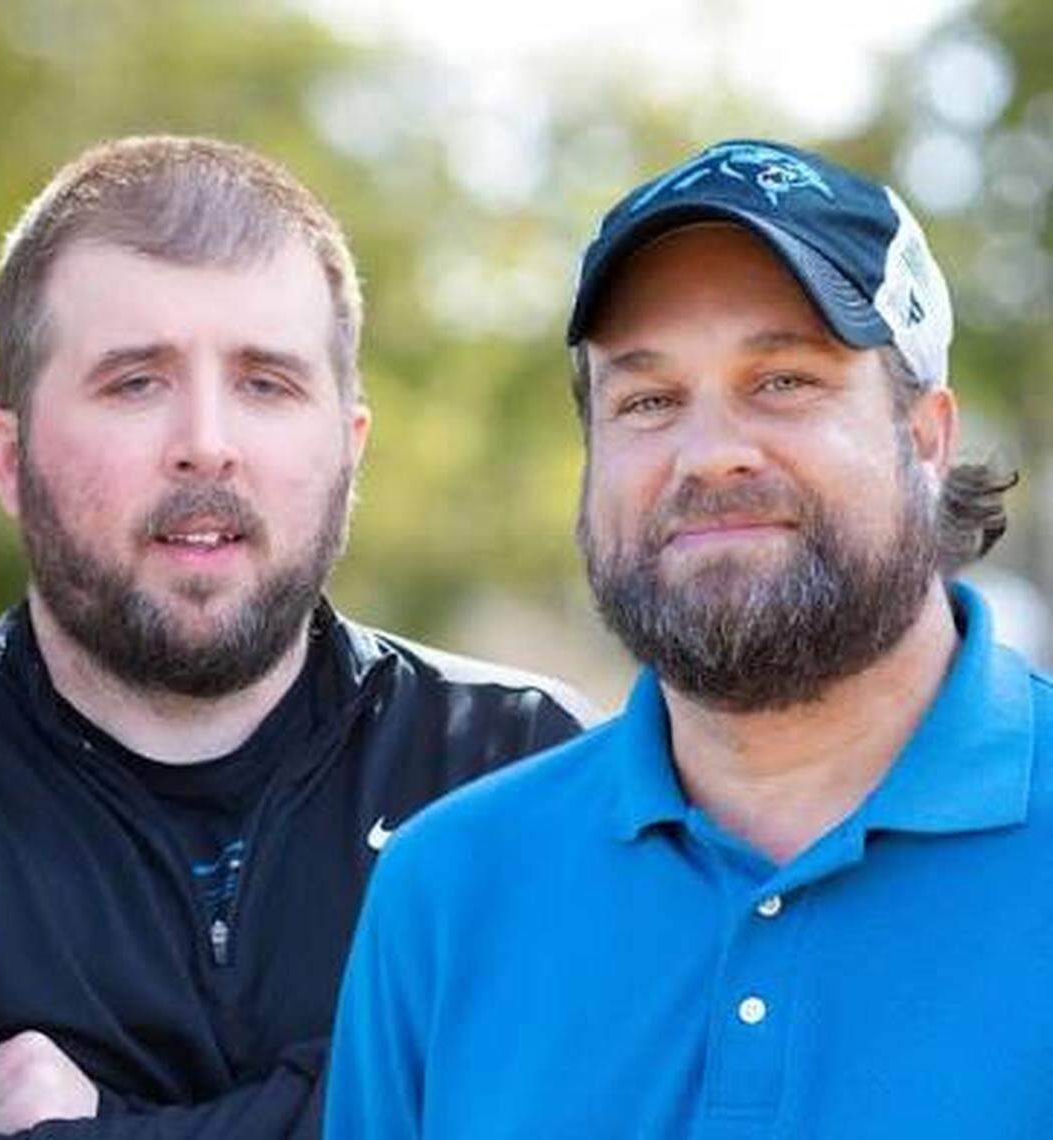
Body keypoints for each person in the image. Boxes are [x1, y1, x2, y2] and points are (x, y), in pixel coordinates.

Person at [325, 139, 1049, 1138]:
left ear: (924, 434)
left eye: (784, 380)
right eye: (649, 399)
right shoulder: (446, 893)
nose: (709, 455)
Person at [0, 135, 592, 1139]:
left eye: (266, 382)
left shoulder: (517, 769)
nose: (208, 442)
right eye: (135, 380)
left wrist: (100, 1124)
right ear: (9, 461)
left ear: (346, 449)